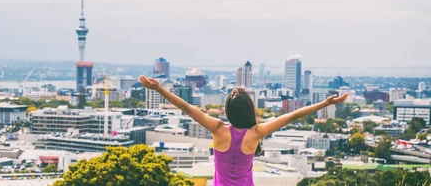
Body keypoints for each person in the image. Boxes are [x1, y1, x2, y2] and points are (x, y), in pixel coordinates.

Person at [139, 75, 347, 186]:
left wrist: (158, 88)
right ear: (249, 110)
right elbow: (293, 115)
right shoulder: (256, 133)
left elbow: (186, 107)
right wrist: (324, 103)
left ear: (228, 111)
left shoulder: (218, 129)